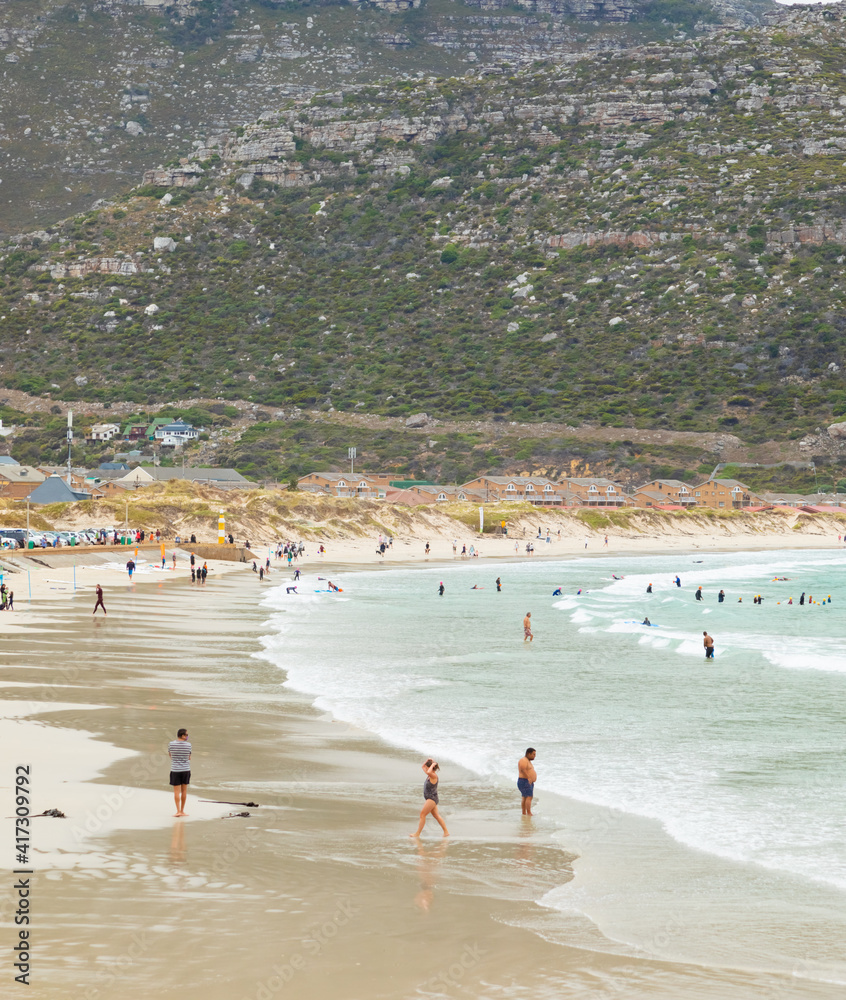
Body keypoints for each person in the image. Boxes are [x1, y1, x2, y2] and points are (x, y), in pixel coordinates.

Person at [410, 759, 449, 838]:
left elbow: (428, 771)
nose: (426, 769)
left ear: (431, 768)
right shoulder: (429, 775)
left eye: (428, 767)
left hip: (432, 798)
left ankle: (417, 834)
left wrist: (432, 764)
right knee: (436, 816)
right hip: (430, 798)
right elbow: (423, 767)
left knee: (422, 815)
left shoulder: (433, 776)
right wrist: (429, 760)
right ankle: (446, 832)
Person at [168, 728, 191, 817]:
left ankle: (178, 811)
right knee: (184, 791)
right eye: (187, 735)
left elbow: (170, 755)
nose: (188, 736)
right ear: (182, 735)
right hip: (186, 770)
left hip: (175, 770)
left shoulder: (171, 744)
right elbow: (189, 757)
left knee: (176, 792)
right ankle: (182, 811)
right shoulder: (189, 745)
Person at [518, 749, 537, 816]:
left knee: (525, 797)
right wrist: (528, 777)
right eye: (533, 754)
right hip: (524, 781)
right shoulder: (523, 760)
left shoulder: (527, 761)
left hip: (526, 781)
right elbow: (522, 769)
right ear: (529, 754)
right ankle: (528, 813)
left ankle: (524, 812)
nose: (534, 756)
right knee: (529, 797)